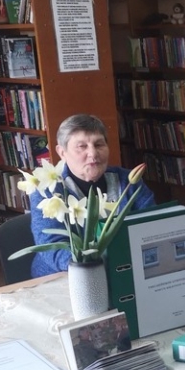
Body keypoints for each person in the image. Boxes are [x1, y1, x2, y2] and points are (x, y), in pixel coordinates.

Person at [28, 114, 155, 277]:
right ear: (62, 152)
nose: (93, 154)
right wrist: (93, 267)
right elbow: (52, 247)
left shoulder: (129, 182)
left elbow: (151, 227)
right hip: (66, 275)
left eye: (99, 144)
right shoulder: (47, 191)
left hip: (126, 270)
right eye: (81, 146)